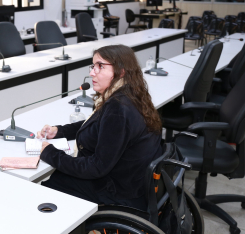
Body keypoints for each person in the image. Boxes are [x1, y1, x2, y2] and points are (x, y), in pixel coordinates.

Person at [36, 45, 163, 210]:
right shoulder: (129, 94)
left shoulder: (118, 108)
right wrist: (60, 131)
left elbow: (96, 167)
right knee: (60, 175)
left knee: (49, 187)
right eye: (93, 66)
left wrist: (50, 154)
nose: (91, 73)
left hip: (119, 191)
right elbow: (97, 124)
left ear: (121, 71)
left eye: (100, 66)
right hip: (133, 183)